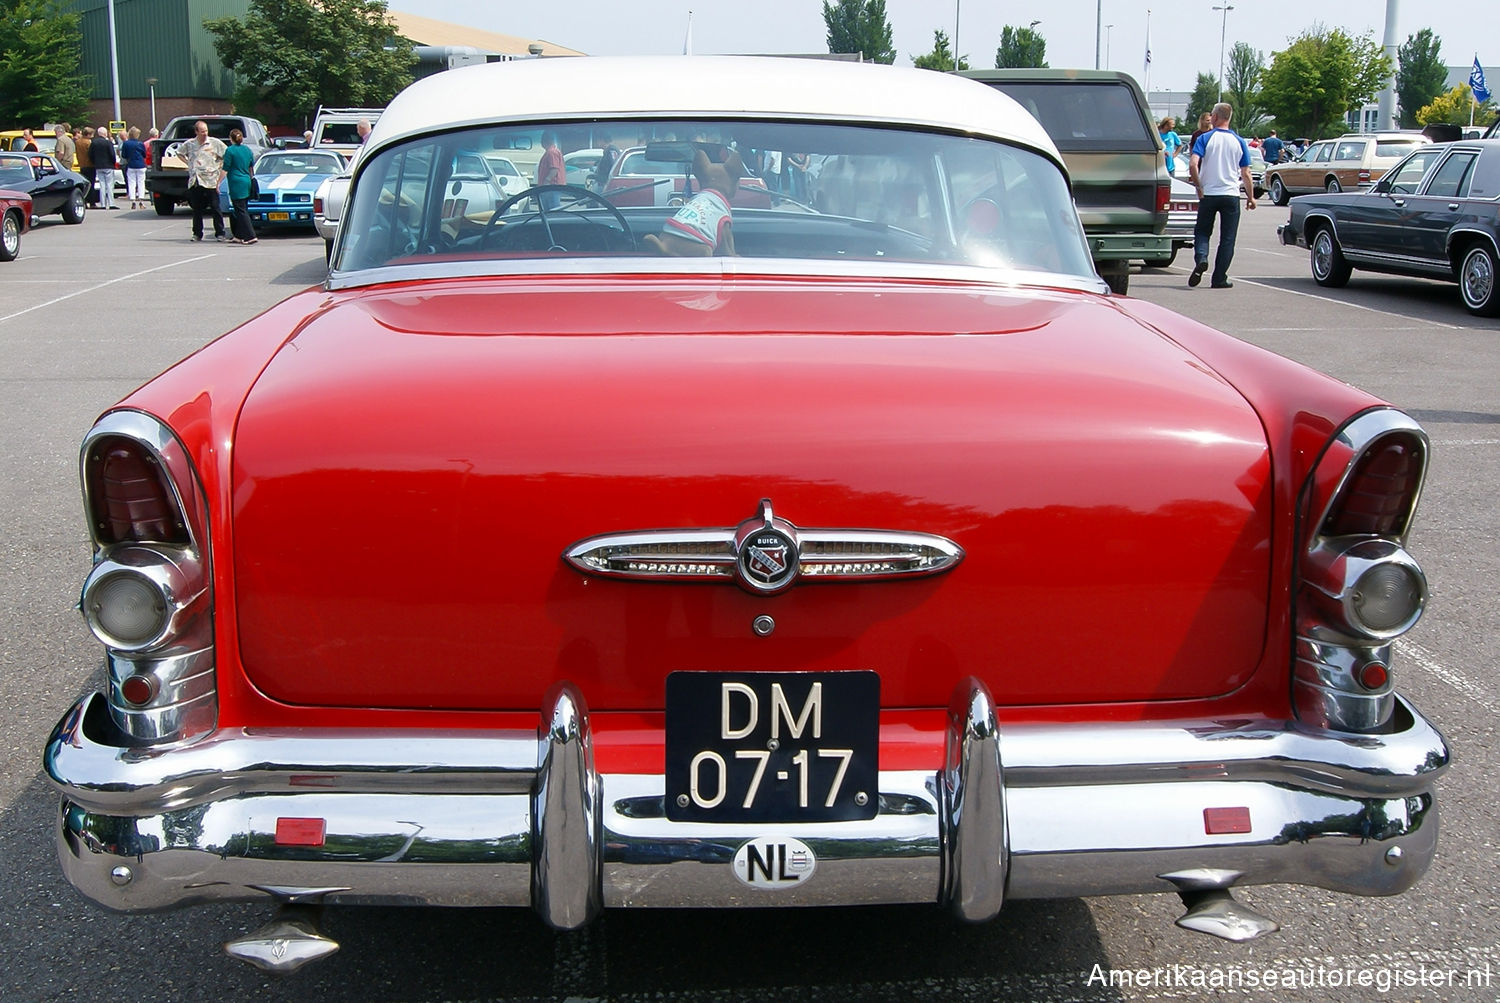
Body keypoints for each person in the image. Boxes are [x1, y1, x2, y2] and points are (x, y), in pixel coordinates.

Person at [1188, 102, 1256, 290]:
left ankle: (1202, 258)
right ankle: (1219, 278)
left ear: (1216, 117)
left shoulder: (1205, 138)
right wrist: (1251, 197)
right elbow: (1246, 172)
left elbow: (1193, 164)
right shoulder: (1239, 141)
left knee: (1202, 231)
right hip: (1231, 194)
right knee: (1228, 238)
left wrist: (1198, 185)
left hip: (1208, 193)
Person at [166, 120, 228, 241]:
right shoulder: (190, 144)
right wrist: (188, 163)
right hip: (196, 180)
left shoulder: (215, 143)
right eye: (202, 131)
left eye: (206, 131)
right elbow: (179, 153)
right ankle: (197, 233)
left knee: (215, 207)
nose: (205, 134)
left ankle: (220, 233)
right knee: (197, 209)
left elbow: (227, 155)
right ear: (196, 132)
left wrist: (220, 167)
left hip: (211, 180)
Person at [222, 128, 257, 244]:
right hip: (246, 180)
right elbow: (251, 166)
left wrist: (217, 183)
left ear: (231, 139)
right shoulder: (247, 149)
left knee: (240, 210)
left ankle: (250, 235)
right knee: (242, 208)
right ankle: (238, 235)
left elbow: (225, 168)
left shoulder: (230, 150)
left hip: (236, 182)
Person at [535, 131, 565, 209]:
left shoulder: (552, 152)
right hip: (550, 188)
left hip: (551, 187)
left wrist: (547, 181)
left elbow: (554, 169)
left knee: (552, 211)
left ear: (545, 141)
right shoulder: (552, 151)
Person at [120, 126, 148, 209]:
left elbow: (124, 155)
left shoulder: (126, 143)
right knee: (141, 182)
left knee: (131, 183)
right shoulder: (140, 144)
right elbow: (144, 154)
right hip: (140, 165)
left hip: (131, 165)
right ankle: (141, 201)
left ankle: (133, 200)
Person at [91, 126, 118, 209]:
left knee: (102, 185)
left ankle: (103, 204)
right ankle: (111, 203)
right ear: (105, 133)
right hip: (108, 166)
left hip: (98, 166)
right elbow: (112, 154)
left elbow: (90, 154)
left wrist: (94, 162)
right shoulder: (108, 143)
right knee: (109, 185)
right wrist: (113, 163)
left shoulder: (94, 143)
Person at [76, 127, 96, 205]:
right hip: (90, 165)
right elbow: (91, 154)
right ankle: (92, 202)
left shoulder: (78, 142)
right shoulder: (88, 143)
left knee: (84, 184)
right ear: (88, 134)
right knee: (91, 184)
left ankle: (84, 201)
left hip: (81, 164)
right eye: (91, 134)